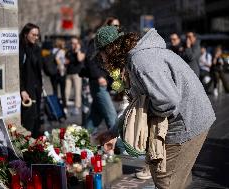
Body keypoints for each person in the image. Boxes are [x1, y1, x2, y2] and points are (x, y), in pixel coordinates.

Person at [95, 26, 216, 189]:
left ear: (110, 49)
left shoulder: (141, 60)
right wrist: (114, 130)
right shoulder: (137, 58)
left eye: (101, 54)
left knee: (165, 181)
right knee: (172, 178)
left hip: (186, 123)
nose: (101, 59)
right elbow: (139, 104)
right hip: (185, 118)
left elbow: (167, 101)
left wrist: (141, 117)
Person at [19, 23, 43, 138]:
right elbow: (18, 71)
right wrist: (22, 89)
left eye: (37, 35)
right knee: (28, 117)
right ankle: (28, 145)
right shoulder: (20, 48)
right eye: (33, 34)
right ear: (25, 34)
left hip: (36, 88)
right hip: (26, 89)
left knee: (36, 117)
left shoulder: (36, 49)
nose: (36, 37)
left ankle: (35, 145)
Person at [65, 37, 85, 115]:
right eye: (72, 43)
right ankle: (65, 106)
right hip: (69, 73)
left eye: (75, 43)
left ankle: (76, 107)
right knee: (66, 91)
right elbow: (66, 61)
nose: (73, 45)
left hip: (77, 74)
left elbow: (80, 59)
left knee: (77, 91)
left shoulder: (81, 51)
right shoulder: (68, 52)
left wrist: (78, 51)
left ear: (78, 44)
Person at [50, 38, 67, 109]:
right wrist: (61, 66)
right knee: (63, 91)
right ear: (60, 44)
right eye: (63, 44)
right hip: (60, 73)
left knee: (55, 91)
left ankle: (56, 106)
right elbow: (57, 59)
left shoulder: (51, 51)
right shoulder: (61, 51)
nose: (64, 45)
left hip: (53, 73)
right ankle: (64, 106)